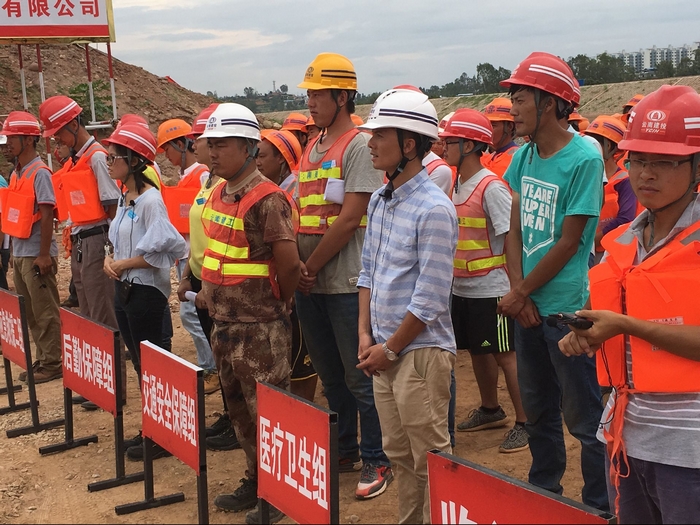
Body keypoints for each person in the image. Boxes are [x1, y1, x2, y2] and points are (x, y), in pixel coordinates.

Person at [558, 84, 700, 523]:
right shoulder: (621, 243)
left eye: (664, 162)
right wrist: (585, 336)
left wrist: (625, 325)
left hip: (689, 451)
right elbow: (612, 327)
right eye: (638, 160)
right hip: (624, 436)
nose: (646, 174)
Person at [496, 52, 608, 511]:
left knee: (585, 419)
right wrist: (519, 293)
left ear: (549, 103)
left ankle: (600, 506)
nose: (513, 109)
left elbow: (569, 241)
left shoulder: (585, 158)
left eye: (520, 99)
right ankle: (546, 497)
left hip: (567, 312)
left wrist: (521, 292)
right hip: (528, 309)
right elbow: (514, 230)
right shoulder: (523, 157)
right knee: (539, 412)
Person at [295, 52, 392, 500]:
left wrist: (310, 267)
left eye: (319, 94)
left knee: (359, 376)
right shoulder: (311, 145)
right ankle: (345, 448)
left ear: (342, 96)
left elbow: (351, 216)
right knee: (331, 375)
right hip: (311, 283)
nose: (311, 102)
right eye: (310, 94)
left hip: (343, 282)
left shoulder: (357, 146)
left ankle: (377, 456)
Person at [357, 88, 456, 524]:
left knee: (430, 457)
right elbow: (367, 272)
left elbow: (430, 297)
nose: (371, 142)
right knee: (399, 453)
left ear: (410, 145)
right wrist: (365, 335)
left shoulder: (434, 209)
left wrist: (390, 348)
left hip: (418, 354)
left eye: (380, 135)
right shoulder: (380, 200)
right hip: (384, 350)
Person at [199, 103, 300, 523]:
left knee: (270, 416)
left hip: (259, 329)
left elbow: (289, 265)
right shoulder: (218, 193)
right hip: (224, 324)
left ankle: (280, 495)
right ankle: (257, 480)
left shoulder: (267, 198)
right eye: (211, 144)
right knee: (240, 413)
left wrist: (279, 304)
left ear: (248, 147)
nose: (213, 152)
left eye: (222, 144)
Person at [440, 108, 528, 453]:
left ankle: (526, 422)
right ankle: (491, 409)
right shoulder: (457, 183)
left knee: (506, 354)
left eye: (450, 141)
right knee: (479, 350)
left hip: (493, 288)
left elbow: (512, 237)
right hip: (464, 286)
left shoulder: (491, 187)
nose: (444, 146)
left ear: (469, 145)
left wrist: (516, 290)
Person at [101, 123, 186, 460]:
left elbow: (161, 253)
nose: (108, 163)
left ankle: (163, 435)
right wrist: (110, 259)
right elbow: (119, 241)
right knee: (140, 364)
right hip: (125, 291)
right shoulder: (126, 198)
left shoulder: (151, 201)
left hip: (145, 294)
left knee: (152, 365)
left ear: (133, 161)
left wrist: (123, 264)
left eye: (113, 158)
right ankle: (152, 428)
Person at [39, 96, 122, 396]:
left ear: (74, 124)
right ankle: (97, 383)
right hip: (81, 242)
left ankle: (113, 388)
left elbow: (111, 205)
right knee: (87, 313)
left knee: (102, 313)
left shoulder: (97, 157)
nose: (57, 140)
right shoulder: (77, 159)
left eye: (59, 133)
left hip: (97, 239)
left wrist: (110, 249)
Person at [175, 104, 240, 452]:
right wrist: (189, 275)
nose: (200, 146)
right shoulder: (207, 182)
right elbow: (201, 234)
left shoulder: (228, 186)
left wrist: (209, 285)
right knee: (220, 356)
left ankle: (238, 421)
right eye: (203, 141)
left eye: (202, 139)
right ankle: (230, 415)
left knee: (231, 358)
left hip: (220, 284)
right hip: (202, 280)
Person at [256, 129, 319, 403]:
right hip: (280, 283)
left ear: (281, 159)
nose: (257, 161)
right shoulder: (264, 191)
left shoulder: (292, 191)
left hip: (294, 283)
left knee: (300, 358)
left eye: (262, 156)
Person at [157, 118, 219, 394]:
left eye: (168, 148)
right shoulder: (191, 178)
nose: (166, 156)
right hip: (189, 258)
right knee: (193, 314)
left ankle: (211, 368)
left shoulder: (204, 176)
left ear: (182, 144)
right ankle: (211, 366)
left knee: (192, 314)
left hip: (201, 260)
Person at [0, 112, 62, 383]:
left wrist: (44, 254)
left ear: (28, 140)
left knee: (45, 310)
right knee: (33, 313)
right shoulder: (17, 173)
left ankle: (52, 362)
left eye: (11, 139)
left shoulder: (40, 173)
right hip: (21, 252)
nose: (6, 145)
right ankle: (43, 358)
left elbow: (48, 215)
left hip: (36, 254)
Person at [583, 115, 640, 258]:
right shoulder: (586, 174)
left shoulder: (624, 181)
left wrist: (592, 241)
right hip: (584, 247)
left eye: (594, 142)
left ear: (608, 146)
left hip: (607, 252)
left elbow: (625, 219)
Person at [481, 97, 519, 178]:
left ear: (509, 127)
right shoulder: (490, 157)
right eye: (486, 125)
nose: (487, 130)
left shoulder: (518, 159)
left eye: (493, 126)